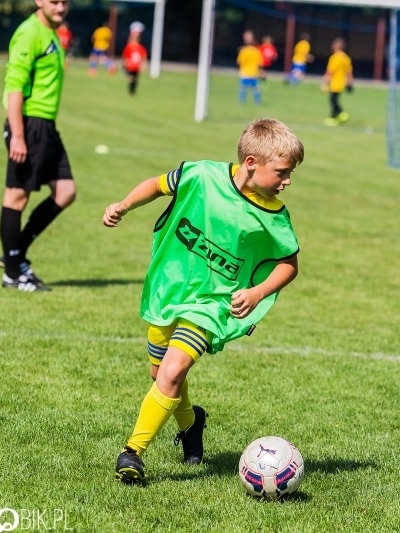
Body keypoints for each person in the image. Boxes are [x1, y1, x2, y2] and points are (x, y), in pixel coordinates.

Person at [103, 118, 304, 484]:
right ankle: (192, 424)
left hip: (213, 304)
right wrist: (125, 204)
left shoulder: (274, 214)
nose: (287, 181)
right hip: (171, 286)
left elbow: (289, 265)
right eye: (282, 172)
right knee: (160, 375)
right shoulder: (200, 175)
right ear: (251, 163)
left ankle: (132, 453)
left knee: (173, 370)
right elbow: (156, 184)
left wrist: (258, 292)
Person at [0, 0, 75, 292]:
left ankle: (13, 254)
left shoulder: (52, 32)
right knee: (16, 197)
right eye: (54, 1)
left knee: (66, 191)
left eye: (65, 2)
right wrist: (17, 135)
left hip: (47, 127)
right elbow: (14, 86)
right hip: (29, 125)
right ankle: (12, 271)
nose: (60, 7)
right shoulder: (29, 32)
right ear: (38, 1)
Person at [321, 38, 353, 126]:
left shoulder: (334, 57)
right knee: (334, 99)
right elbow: (349, 72)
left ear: (336, 46)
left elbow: (330, 71)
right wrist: (350, 82)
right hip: (342, 83)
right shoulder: (346, 58)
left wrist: (325, 81)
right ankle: (337, 117)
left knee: (333, 100)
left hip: (334, 82)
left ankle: (337, 115)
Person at [237, 31, 263, 105]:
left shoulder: (243, 51)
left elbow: (239, 62)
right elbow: (260, 63)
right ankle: (258, 103)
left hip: (244, 72)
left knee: (242, 88)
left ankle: (241, 103)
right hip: (254, 72)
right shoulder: (256, 51)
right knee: (255, 89)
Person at [121, 31, 148, 96]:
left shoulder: (141, 48)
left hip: (136, 67)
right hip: (130, 66)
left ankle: (133, 91)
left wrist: (143, 66)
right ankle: (131, 90)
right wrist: (125, 63)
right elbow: (125, 56)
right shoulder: (129, 47)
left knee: (135, 79)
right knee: (131, 78)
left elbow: (143, 57)